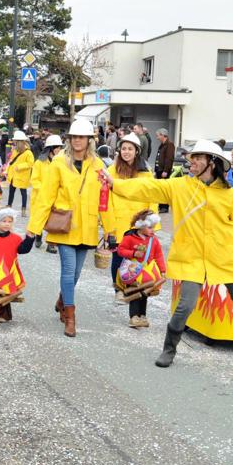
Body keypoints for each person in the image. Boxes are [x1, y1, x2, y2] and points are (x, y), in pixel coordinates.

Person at [99, 140, 233, 374]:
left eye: (197, 158)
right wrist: (116, 185)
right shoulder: (180, 186)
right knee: (185, 306)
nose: (191, 161)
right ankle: (169, 349)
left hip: (224, 258)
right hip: (192, 258)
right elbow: (149, 187)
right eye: (191, 157)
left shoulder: (228, 194)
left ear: (212, 163)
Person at [28, 119, 113, 338]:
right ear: (69, 139)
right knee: (68, 271)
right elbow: (46, 197)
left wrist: (111, 230)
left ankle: (62, 300)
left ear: (89, 140)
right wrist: (33, 230)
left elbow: (105, 199)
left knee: (75, 274)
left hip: (88, 227)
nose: (77, 140)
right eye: (74, 137)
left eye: (81, 137)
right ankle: (70, 316)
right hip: (64, 225)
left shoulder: (98, 165)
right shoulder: (58, 162)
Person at [104, 132, 159, 303]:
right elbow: (105, 199)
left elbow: (153, 196)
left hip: (140, 223)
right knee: (119, 257)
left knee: (138, 258)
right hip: (118, 222)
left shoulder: (145, 173)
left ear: (137, 151)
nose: (126, 152)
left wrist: (151, 223)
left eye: (130, 149)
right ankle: (118, 288)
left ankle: (134, 290)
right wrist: (108, 226)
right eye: (123, 149)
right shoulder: (111, 171)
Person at [0, 207, 35, 324]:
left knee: (5, 291)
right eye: (4, 221)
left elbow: (23, 249)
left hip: (9, 272)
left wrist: (29, 238)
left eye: (10, 222)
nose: (7, 224)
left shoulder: (16, 238)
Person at [115, 209, 166, 328]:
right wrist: (133, 253)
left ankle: (142, 315)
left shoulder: (154, 240)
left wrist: (162, 270)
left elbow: (159, 255)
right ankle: (134, 317)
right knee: (135, 294)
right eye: (150, 227)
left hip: (147, 272)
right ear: (141, 226)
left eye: (153, 227)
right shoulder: (129, 238)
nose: (153, 230)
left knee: (145, 294)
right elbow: (120, 250)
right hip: (133, 272)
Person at [30, 134, 63, 252]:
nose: (59, 150)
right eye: (57, 147)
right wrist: (45, 190)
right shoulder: (39, 163)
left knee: (52, 220)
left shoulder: (61, 163)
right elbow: (34, 180)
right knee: (40, 218)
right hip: (40, 197)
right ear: (51, 148)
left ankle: (51, 244)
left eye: (60, 147)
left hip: (55, 198)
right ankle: (38, 237)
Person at [6, 131, 34, 217]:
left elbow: (30, 163)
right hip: (14, 175)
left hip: (22, 175)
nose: (14, 143)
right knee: (11, 191)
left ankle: (23, 209)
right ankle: (9, 206)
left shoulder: (28, 152)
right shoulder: (15, 150)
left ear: (20, 142)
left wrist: (19, 166)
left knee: (23, 193)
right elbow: (12, 160)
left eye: (15, 141)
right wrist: (7, 170)